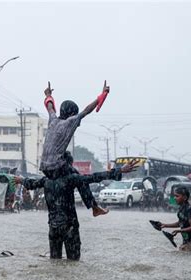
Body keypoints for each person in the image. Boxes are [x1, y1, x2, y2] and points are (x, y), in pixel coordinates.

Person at [18, 159, 138, 260]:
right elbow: (94, 177)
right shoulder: (70, 179)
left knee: (55, 263)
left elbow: (31, 183)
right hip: (69, 226)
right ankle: (94, 208)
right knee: (73, 262)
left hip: (53, 228)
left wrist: (20, 180)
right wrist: (120, 170)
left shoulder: (46, 180)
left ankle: (95, 208)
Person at [41, 81, 110, 217]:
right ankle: (94, 207)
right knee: (79, 178)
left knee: (69, 164)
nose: (77, 124)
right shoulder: (69, 122)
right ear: (71, 114)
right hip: (56, 168)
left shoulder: (53, 120)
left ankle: (92, 207)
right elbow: (87, 110)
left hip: (44, 167)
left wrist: (48, 95)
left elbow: (50, 107)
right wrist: (102, 95)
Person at [159, 186, 191, 252]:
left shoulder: (189, 210)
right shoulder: (181, 208)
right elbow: (180, 223)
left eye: (177, 196)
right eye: (174, 196)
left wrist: (179, 231)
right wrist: (165, 225)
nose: (175, 198)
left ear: (184, 197)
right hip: (186, 240)